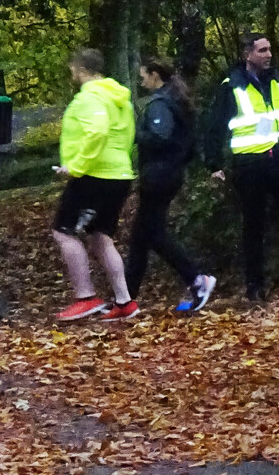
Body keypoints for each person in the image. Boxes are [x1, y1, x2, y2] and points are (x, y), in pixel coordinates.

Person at [203, 32, 279, 300]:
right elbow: (214, 125)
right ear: (247, 55)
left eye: (269, 50)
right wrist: (214, 163)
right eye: (262, 50)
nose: (269, 55)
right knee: (254, 225)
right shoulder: (232, 86)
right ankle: (255, 287)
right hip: (250, 163)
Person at [52, 48, 137, 322]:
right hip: (119, 174)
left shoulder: (88, 98)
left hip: (93, 175)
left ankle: (85, 297)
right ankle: (124, 301)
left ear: (80, 69)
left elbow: (97, 130)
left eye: (72, 70)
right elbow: (127, 133)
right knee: (101, 236)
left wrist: (75, 166)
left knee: (64, 232)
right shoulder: (119, 98)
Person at [125, 57, 216, 311]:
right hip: (169, 173)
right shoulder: (177, 100)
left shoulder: (160, 105)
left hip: (158, 177)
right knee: (140, 238)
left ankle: (197, 278)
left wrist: (134, 135)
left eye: (144, 76)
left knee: (154, 235)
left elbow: (160, 136)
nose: (142, 81)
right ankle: (126, 297)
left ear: (155, 75)